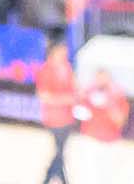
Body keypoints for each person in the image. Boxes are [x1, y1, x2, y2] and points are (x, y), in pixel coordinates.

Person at [36, 39, 79, 184]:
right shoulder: (46, 70)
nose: (65, 54)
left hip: (68, 116)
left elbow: (73, 89)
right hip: (54, 118)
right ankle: (52, 179)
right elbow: (44, 96)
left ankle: (53, 178)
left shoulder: (67, 67)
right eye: (62, 52)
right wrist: (65, 100)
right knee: (59, 151)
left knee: (60, 151)